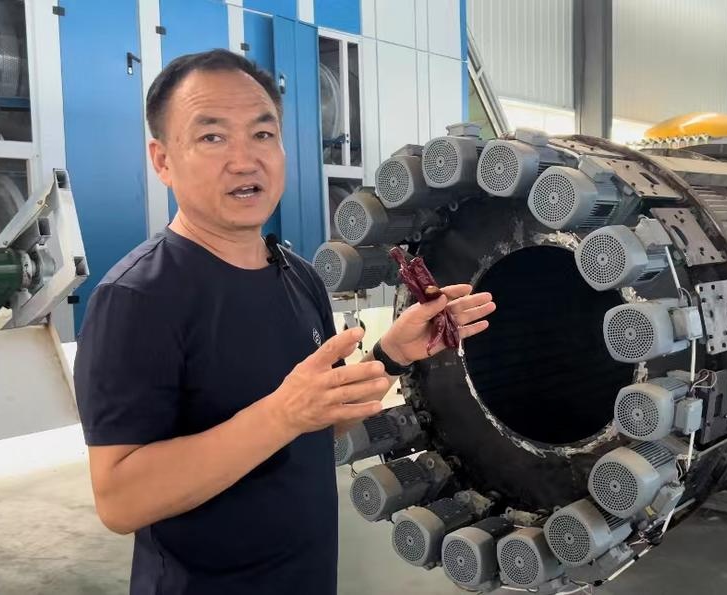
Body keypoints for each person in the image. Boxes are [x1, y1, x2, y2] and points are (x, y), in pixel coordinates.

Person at [72, 49, 496, 595]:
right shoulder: (138, 298)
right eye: (212, 137)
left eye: (263, 134)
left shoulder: (297, 276)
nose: (245, 160)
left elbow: (320, 422)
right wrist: (280, 415)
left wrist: (392, 355)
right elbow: (120, 500)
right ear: (162, 160)